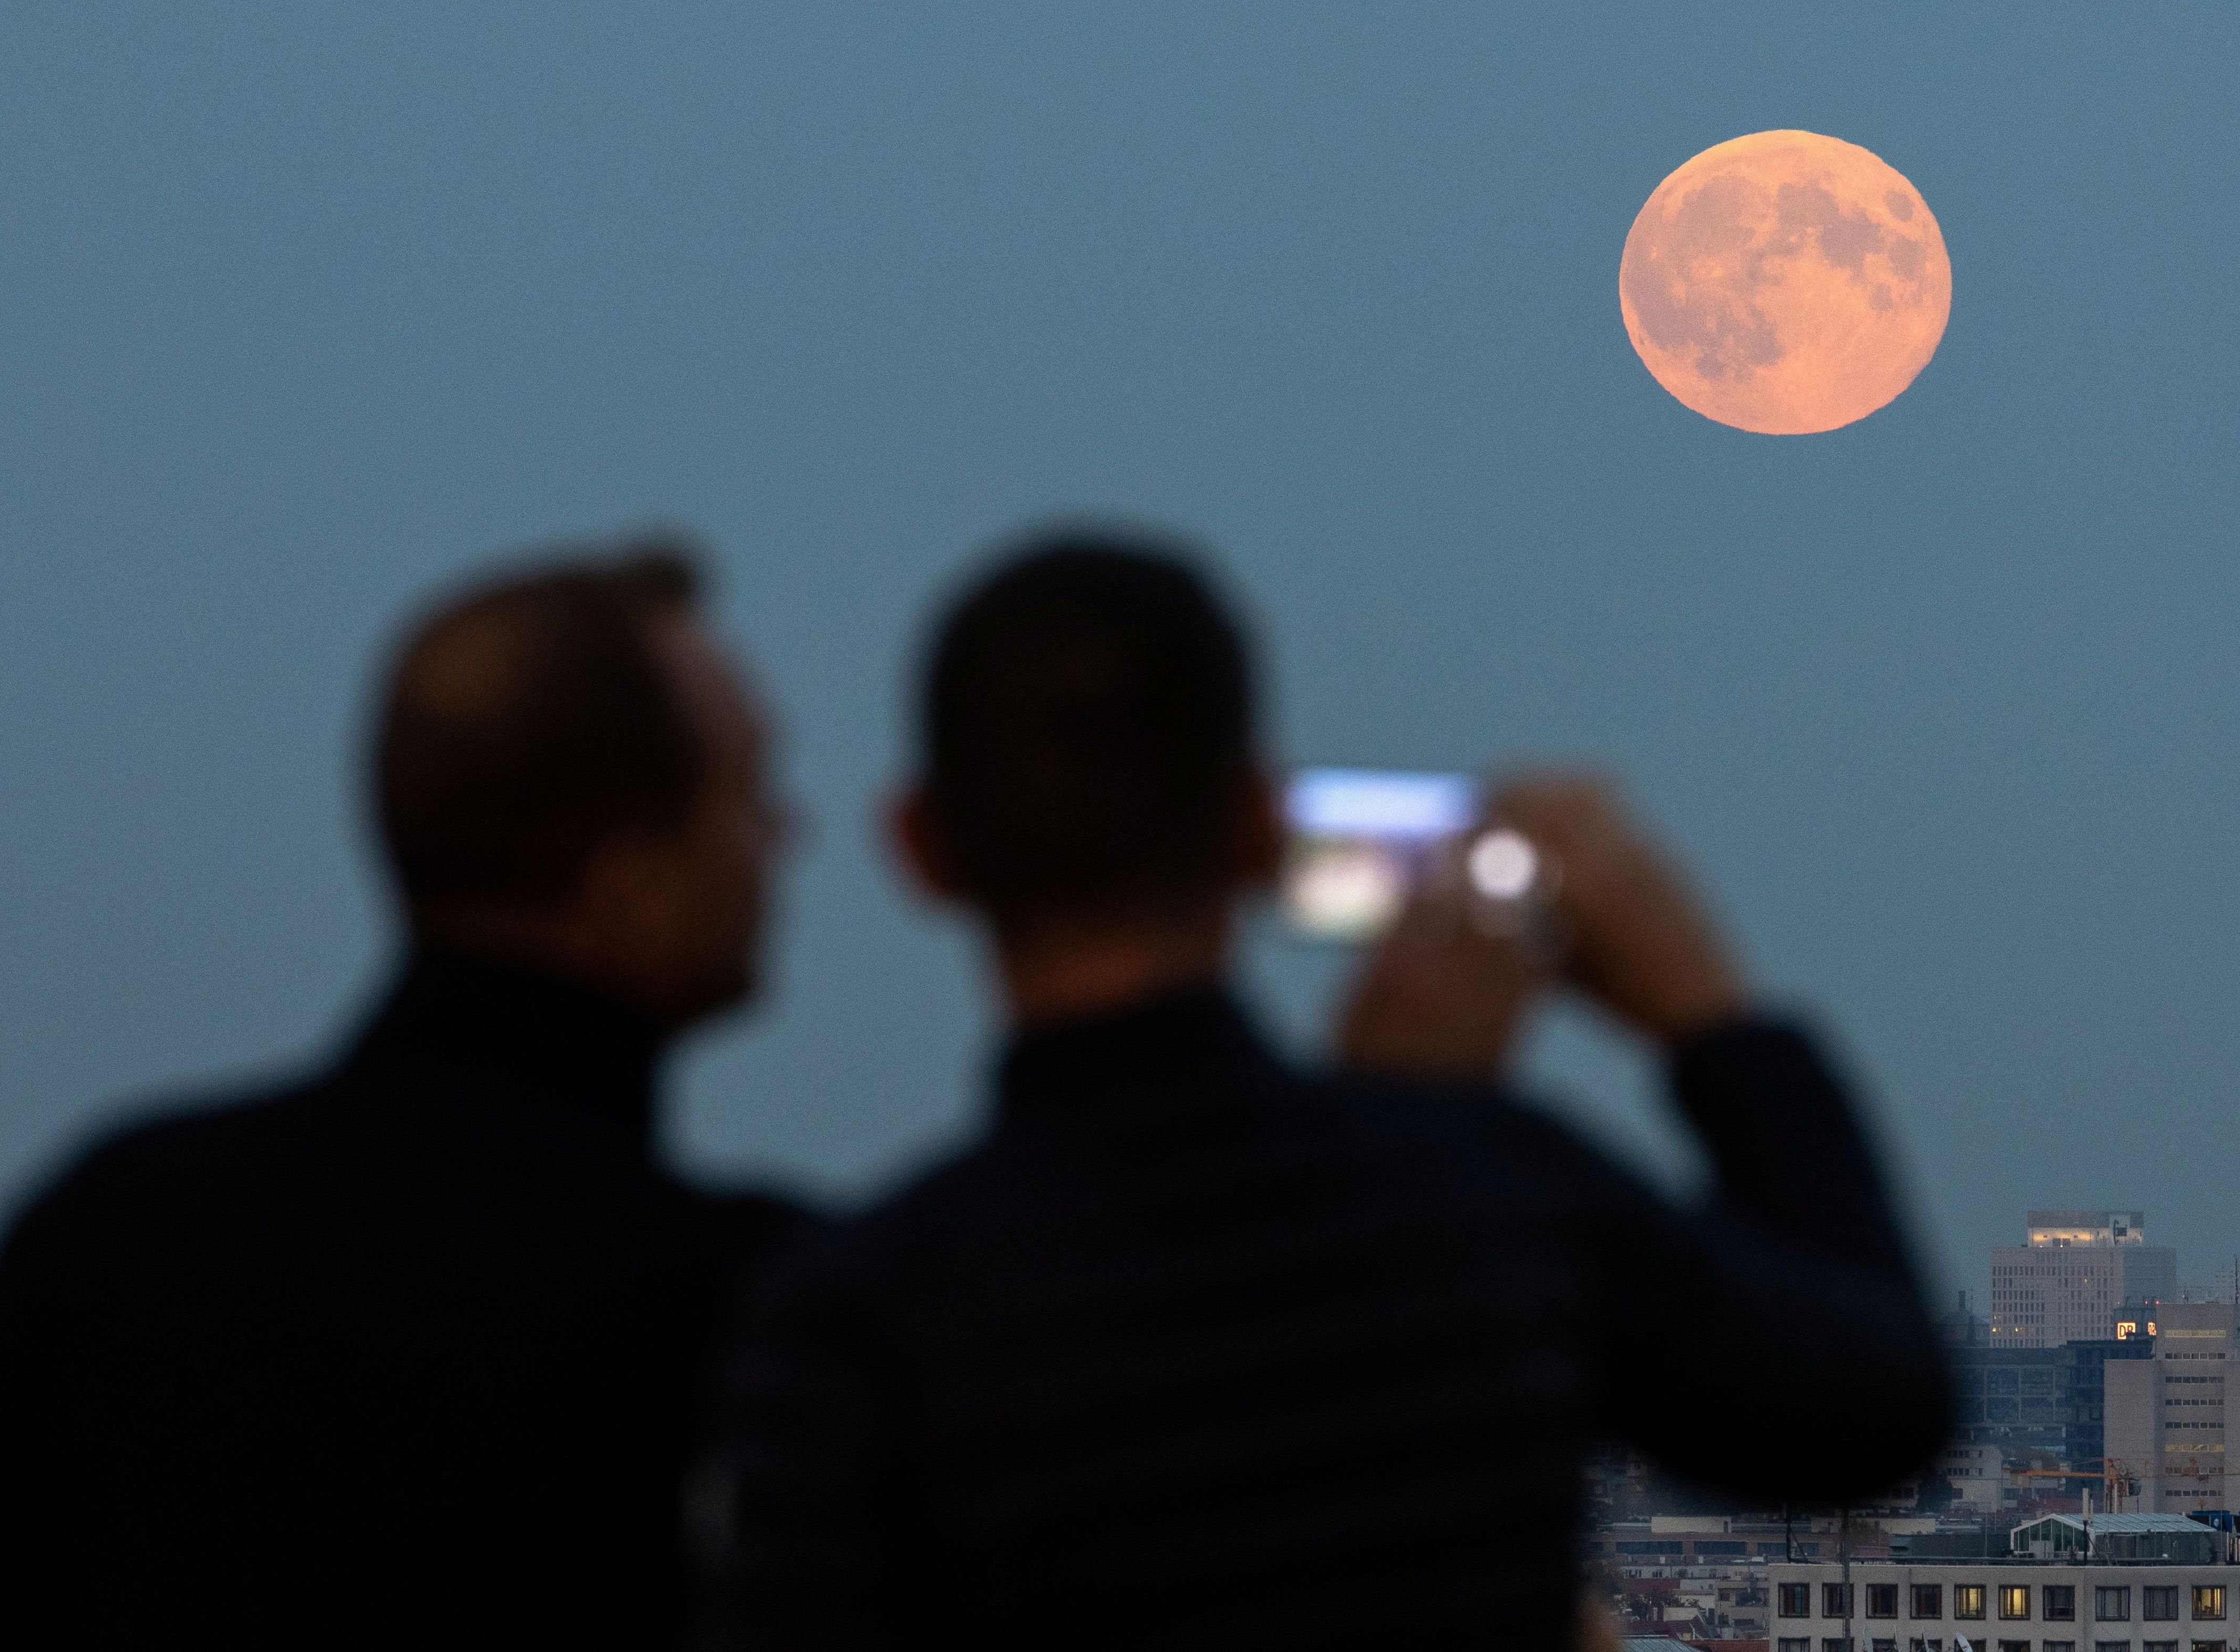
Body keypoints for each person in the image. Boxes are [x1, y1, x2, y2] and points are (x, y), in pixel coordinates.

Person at [694, 535, 1951, 1650]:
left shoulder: (860, 1313)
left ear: (921, 847)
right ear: (1256, 828)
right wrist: (1708, 1015)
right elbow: (1871, 1405)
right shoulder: (1499, 1197)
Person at [0, 545, 805, 1649]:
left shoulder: (101, 1237)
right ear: (630, 875)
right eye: (746, 791)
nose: (786, 836)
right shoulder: (749, 1311)